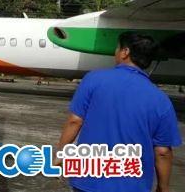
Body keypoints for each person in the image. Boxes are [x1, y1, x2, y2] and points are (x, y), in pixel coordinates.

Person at [55, 32, 181, 192]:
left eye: (117, 47)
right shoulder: (160, 99)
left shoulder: (93, 79)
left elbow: (75, 120)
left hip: (88, 181)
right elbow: (162, 152)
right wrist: (163, 187)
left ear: (125, 52)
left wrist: (60, 153)